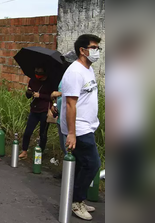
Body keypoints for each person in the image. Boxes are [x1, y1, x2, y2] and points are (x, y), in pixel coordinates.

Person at [61, 34, 102, 221]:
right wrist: (71, 133)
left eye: (98, 48)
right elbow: (70, 104)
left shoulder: (88, 69)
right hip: (79, 128)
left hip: (88, 125)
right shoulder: (75, 72)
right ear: (82, 50)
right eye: (94, 47)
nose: (97, 51)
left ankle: (75, 199)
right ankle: (76, 202)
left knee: (81, 166)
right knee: (93, 164)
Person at [18, 67, 57, 159]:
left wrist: (41, 95)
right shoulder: (33, 80)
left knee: (43, 133)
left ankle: (40, 153)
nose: (38, 75)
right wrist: (28, 92)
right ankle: (24, 151)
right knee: (28, 131)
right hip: (34, 109)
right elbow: (28, 96)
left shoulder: (51, 82)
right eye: (36, 72)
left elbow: (52, 96)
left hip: (45, 110)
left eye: (40, 73)